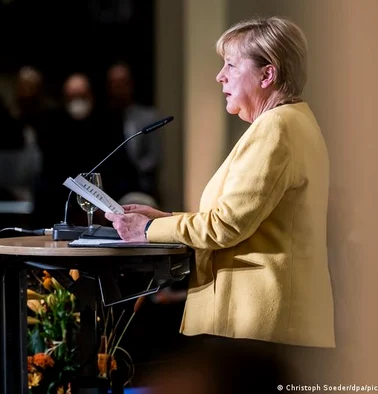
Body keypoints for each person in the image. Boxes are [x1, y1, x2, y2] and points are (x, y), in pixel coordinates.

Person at [105, 16, 335, 392]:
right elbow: (244, 219)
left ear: (267, 75)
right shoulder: (289, 123)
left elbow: (226, 226)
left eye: (230, 64)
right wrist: (165, 218)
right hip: (262, 320)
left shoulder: (277, 128)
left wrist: (147, 230)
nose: (219, 76)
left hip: (260, 324)